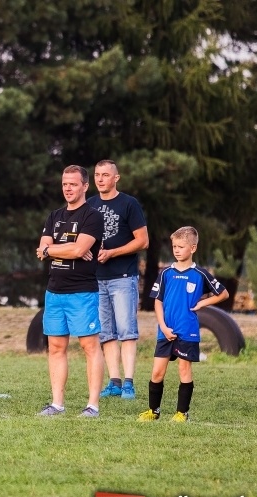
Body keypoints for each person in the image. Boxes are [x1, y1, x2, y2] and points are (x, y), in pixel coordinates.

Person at [36, 165, 105, 417]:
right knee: (55, 347)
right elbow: (41, 250)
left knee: (89, 346)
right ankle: (57, 404)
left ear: (85, 186)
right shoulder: (54, 216)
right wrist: (64, 248)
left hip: (82, 292)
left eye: (73, 184)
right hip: (54, 291)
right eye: (65, 183)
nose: (68, 188)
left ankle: (92, 406)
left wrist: (53, 248)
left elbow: (77, 251)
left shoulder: (92, 216)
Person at [138, 226, 228, 423]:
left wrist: (203, 302)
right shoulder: (166, 273)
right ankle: (153, 411)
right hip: (165, 330)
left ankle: (182, 413)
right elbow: (158, 301)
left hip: (187, 331)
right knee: (157, 372)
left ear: (193, 248)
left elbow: (223, 293)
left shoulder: (200, 274)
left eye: (180, 246)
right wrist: (162, 325)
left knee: (184, 370)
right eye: (174, 246)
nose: (176, 250)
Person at [88, 159, 149, 400]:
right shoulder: (90, 205)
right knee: (106, 333)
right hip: (96, 279)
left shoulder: (129, 204)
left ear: (116, 178)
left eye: (105, 175)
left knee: (126, 330)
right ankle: (114, 381)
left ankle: (129, 383)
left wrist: (112, 252)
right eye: (96, 175)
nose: (100, 179)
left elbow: (142, 241)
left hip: (123, 277)